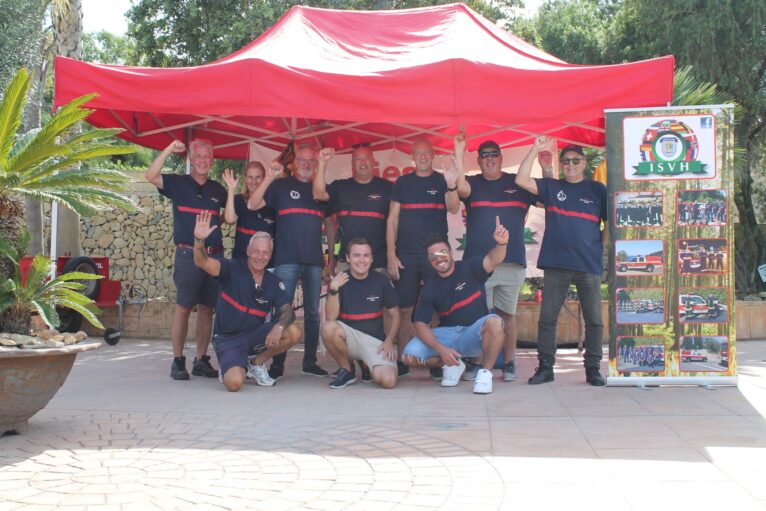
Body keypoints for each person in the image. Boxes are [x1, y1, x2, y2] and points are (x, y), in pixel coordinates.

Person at [454, 135, 549, 382]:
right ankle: (475, 364)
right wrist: (458, 151)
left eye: (493, 154)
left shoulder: (518, 184)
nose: (489, 159)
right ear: (479, 160)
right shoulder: (472, 183)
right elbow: (459, 187)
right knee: (477, 317)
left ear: (501, 158)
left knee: (508, 316)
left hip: (512, 262)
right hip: (478, 265)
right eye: (484, 156)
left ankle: (508, 364)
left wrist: (545, 166)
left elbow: (548, 196)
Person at [515, 136, 607, 386]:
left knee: (595, 320)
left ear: (584, 162)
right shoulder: (553, 188)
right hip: (557, 263)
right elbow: (521, 180)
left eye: (576, 160)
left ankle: (593, 368)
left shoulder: (598, 189)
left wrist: (600, 245)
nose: (571, 165)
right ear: (561, 164)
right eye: (566, 161)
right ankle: (545, 367)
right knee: (547, 318)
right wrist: (535, 148)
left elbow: (609, 223)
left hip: (588, 264)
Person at [144, 139, 226, 381]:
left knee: (206, 310)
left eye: (206, 156)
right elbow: (150, 175)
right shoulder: (176, 183)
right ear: (191, 159)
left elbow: (229, 214)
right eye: (197, 156)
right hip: (187, 253)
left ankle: (201, 360)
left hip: (214, 254)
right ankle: (178, 361)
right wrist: (169, 148)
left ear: (212, 160)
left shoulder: (218, 189)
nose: (202, 160)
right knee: (183, 308)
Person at [192, 212, 301, 392]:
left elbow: (287, 310)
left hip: (254, 336)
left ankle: (256, 362)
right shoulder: (231, 268)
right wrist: (198, 240)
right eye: (256, 252)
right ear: (248, 251)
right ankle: (230, 367)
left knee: (294, 331)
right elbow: (202, 262)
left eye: (265, 253)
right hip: (228, 339)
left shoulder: (273, 281)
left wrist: (278, 327)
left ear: (270, 255)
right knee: (235, 383)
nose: (260, 256)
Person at [248, 144, 328, 378]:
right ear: (294, 163)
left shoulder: (320, 188)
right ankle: (276, 363)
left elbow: (331, 221)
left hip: (313, 260)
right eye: (302, 160)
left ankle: (310, 361)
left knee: (313, 312)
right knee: (282, 310)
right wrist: (270, 177)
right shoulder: (281, 186)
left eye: (312, 161)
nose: (306, 164)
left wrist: (330, 258)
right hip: (285, 259)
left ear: (316, 165)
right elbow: (252, 204)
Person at [402, 218, 508, 394]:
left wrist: (501, 244)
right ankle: (453, 364)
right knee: (409, 356)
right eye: (433, 256)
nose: (439, 258)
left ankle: (485, 374)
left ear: (451, 252)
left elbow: (492, 259)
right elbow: (420, 324)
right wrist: (441, 350)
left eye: (442, 252)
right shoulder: (429, 287)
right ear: (429, 260)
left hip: (473, 333)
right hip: (448, 335)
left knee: (495, 322)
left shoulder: (470, 268)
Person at [387, 138, 461, 379]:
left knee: (440, 309)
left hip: (437, 255)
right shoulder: (402, 182)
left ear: (432, 155)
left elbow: (453, 208)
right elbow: (392, 220)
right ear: (412, 156)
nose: (422, 156)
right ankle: (401, 361)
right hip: (406, 254)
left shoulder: (441, 180)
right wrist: (390, 253)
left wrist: (451, 186)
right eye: (418, 153)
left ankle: (439, 361)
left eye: (427, 153)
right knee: (406, 309)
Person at [321, 238, 401, 389]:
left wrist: (390, 340)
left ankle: (365, 364)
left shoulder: (381, 280)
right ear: (348, 258)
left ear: (371, 259)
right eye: (356, 255)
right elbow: (330, 318)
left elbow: (396, 315)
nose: (361, 260)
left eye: (366, 255)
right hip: (349, 338)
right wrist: (333, 289)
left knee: (388, 381)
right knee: (328, 328)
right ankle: (347, 369)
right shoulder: (340, 280)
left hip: (375, 342)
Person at [312, 144, 392, 276]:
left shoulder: (387, 188)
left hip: (379, 264)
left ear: (373, 161)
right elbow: (318, 194)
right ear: (352, 163)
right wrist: (322, 163)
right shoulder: (341, 187)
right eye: (357, 158)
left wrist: (392, 257)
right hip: (347, 263)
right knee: (344, 297)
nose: (362, 162)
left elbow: (395, 225)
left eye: (366, 158)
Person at [222, 162, 276, 260]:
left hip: (265, 262)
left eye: (258, 177)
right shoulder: (239, 200)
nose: (253, 182)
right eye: (250, 177)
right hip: (240, 260)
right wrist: (231, 190)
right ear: (245, 179)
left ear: (264, 178)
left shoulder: (273, 203)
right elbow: (230, 220)